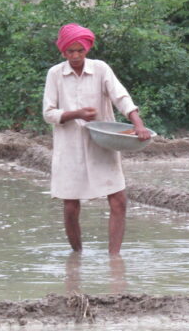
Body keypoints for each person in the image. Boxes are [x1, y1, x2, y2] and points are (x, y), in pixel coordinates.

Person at [43, 23, 151, 255]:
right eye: (70, 52)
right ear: (63, 52)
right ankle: (77, 255)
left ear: (87, 50)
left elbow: (120, 96)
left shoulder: (100, 69)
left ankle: (114, 258)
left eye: (80, 51)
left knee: (118, 200)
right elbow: (49, 113)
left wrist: (138, 124)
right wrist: (77, 114)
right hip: (69, 146)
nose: (75, 56)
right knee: (71, 206)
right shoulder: (55, 74)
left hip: (102, 144)